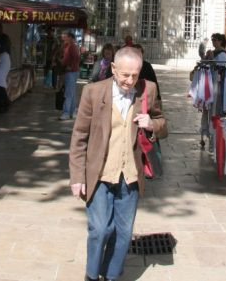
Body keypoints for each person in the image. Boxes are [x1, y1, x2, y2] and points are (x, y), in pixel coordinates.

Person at [69, 47, 167, 281]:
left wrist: (152, 124)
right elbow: (79, 136)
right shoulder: (93, 92)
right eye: (125, 75)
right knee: (101, 229)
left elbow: (163, 123)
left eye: (135, 75)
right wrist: (77, 178)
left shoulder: (148, 90)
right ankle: (92, 275)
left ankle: (111, 275)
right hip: (100, 175)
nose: (130, 80)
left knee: (123, 233)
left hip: (130, 176)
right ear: (113, 69)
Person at [59, 31, 81, 120]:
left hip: (71, 71)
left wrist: (70, 65)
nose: (64, 38)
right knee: (71, 93)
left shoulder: (72, 46)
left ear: (70, 38)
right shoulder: (69, 46)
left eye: (66, 36)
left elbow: (76, 57)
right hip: (72, 71)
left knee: (68, 93)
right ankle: (73, 111)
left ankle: (66, 112)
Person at [0, 36, 12, 113]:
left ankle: (3, 105)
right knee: (0, 89)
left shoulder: (3, 54)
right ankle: (3, 105)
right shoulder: (3, 54)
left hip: (0, 75)